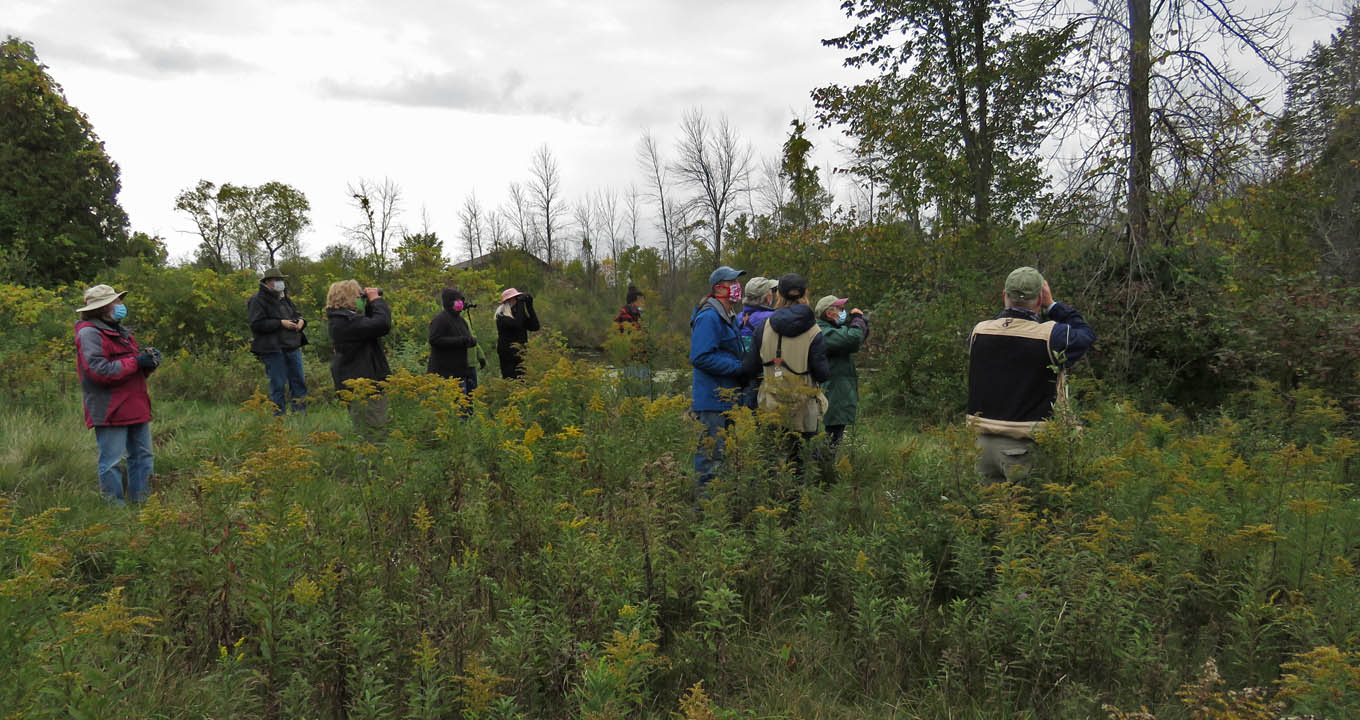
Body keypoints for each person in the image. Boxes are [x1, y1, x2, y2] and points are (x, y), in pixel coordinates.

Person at [967, 266, 1095, 483]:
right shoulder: (1051, 336)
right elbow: (1086, 335)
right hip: (1024, 448)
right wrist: (1053, 305)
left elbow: (1006, 330)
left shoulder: (979, 332)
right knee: (1033, 515)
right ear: (1039, 300)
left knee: (986, 514)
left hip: (981, 446)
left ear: (1004, 296)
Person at [74, 284, 161, 504]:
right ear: (102, 308)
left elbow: (129, 368)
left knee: (142, 457)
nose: (120, 306)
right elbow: (98, 371)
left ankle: (143, 505)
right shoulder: (89, 333)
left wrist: (148, 363)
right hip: (110, 407)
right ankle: (114, 510)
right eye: (116, 302)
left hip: (135, 403)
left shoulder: (121, 332)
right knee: (112, 461)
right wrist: (136, 362)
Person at [741, 273, 830, 478]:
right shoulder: (815, 330)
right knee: (799, 464)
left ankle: (771, 502)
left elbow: (749, 367)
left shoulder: (764, 326)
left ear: (778, 295)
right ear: (805, 294)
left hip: (770, 405)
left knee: (769, 461)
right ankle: (796, 506)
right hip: (803, 409)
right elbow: (823, 374)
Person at [689, 265, 747, 493]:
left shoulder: (727, 316)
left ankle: (718, 510)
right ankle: (703, 514)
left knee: (722, 458)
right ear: (718, 288)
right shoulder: (710, 316)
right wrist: (738, 368)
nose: (737, 288)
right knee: (710, 460)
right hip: (712, 400)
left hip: (725, 399)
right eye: (732, 283)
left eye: (737, 282)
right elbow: (700, 356)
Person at [326, 280, 392, 435]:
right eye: (358, 296)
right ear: (348, 298)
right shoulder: (345, 322)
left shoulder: (343, 319)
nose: (360, 299)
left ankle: (371, 456)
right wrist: (376, 300)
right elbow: (382, 324)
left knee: (370, 428)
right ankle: (372, 458)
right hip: (362, 385)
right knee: (373, 430)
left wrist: (369, 304)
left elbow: (370, 323)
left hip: (361, 380)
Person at [246, 267, 308, 415]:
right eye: (277, 280)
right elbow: (257, 324)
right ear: (267, 282)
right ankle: (278, 419)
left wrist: (301, 321)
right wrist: (280, 323)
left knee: (299, 382)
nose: (280, 282)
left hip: (292, 346)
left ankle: (300, 415)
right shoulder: (257, 300)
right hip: (273, 349)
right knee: (278, 385)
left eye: (281, 280)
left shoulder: (285, 298)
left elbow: (296, 314)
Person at [814, 294, 869, 452]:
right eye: (840, 309)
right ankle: (825, 469)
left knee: (834, 435)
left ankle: (826, 466)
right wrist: (857, 320)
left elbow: (856, 338)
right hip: (832, 390)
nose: (843, 312)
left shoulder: (831, 329)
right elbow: (852, 339)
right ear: (828, 312)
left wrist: (859, 323)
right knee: (830, 438)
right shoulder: (824, 332)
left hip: (836, 389)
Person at [735, 276, 779, 408]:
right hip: (762, 378)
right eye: (771, 292)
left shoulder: (738, 318)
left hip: (741, 377)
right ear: (767, 297)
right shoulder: (771, 319)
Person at [427, 287, 479, 397]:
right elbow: (434, 340)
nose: (460, 302)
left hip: (460, 371)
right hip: (444, 372)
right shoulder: (440, 319)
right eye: (457, 300)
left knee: (465, 404)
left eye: (461, 299)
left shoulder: (461, 321)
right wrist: (461, 341)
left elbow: (465, 338)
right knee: (452, 406)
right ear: (449, 302)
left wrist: (470, 341)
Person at [495, 287, 540, 380]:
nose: (517, 300)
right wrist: (520, 304)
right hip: (508, 354)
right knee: (510, 380)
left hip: (520, 352)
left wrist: (529, 306)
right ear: (509, 300)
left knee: (522, 380)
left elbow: (535, 327)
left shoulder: (518, 314)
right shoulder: (501, 315)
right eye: (515, 298)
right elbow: (517, 325)